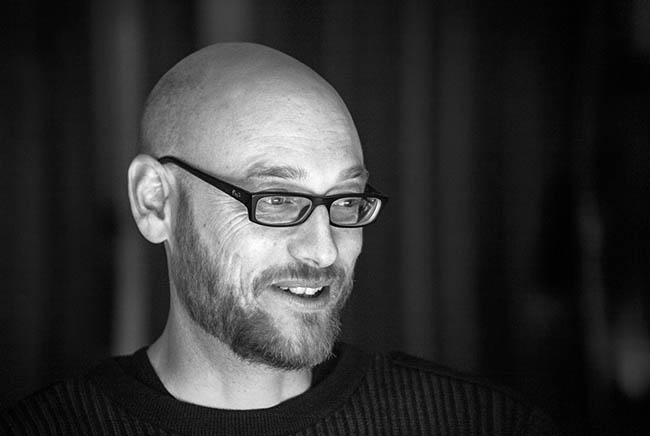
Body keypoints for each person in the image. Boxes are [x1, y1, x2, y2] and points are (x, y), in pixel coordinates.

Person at [0, 42, 559, 435]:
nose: (323, 249)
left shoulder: (477, 423)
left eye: (346, 201)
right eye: (276, 200)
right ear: (156, 202)